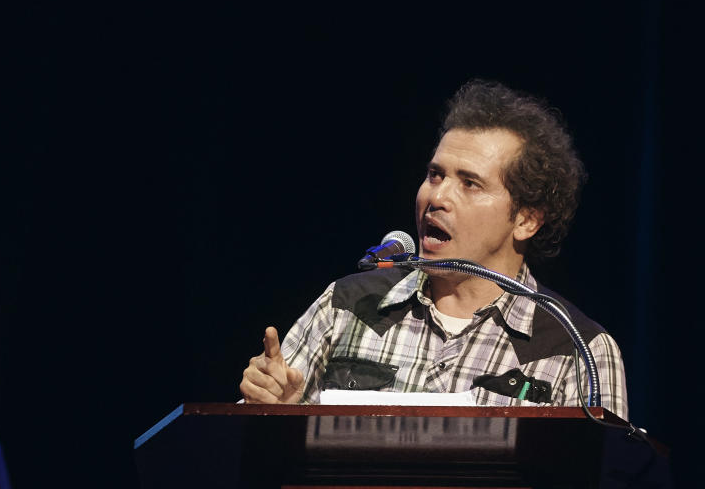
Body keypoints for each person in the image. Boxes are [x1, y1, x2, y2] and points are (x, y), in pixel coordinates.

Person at [239, 79, 628, 419]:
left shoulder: (577, 349)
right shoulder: (346, 305)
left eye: (469, 183)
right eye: (435, 175)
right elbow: (241, 450)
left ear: (526, 219)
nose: (437, 197)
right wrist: (279, 414)